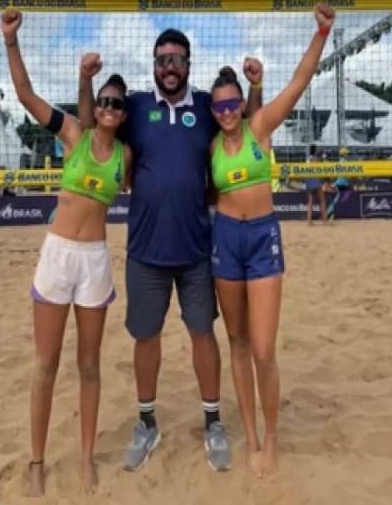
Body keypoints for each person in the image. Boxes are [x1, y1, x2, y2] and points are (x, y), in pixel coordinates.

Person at [78, 30, 264, 473]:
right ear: (154, 64)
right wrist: (85, 81)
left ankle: (213, 421)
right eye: (162, 59)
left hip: (197, 247)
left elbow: (251, 126)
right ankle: (147, 423)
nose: (169, 67)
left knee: (203, 333)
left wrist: (255, 87)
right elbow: (89, 128)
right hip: (145, 249)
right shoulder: (137, 107)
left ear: (188, 64)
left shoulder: (206, 106)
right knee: (146, 337)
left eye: (177, 59)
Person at [1, 8, 133, 497]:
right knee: (45, 365)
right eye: (104, 101)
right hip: (58, 255)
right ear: (96, 107)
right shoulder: (74, 135)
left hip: (95, 259)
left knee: (90, 366)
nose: (109, 108)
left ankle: (85, 458)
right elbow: (25, 95)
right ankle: (37, 462)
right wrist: (11, 41)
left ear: (123, 114)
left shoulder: (126, 156)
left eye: (117, 104)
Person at [207, 1, 335, 477]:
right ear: (213, 109)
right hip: (225, 238)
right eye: (219, 106)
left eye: (232, 104)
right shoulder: (211, 145)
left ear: (241, 104)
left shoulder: (259, 128)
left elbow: (299, 82)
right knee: (238, 343)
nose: (226, 112)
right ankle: (252, 437)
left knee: (263, 350)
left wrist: (321, 34)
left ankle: (272, 439)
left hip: (262, 237)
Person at [304, 144, 329, 226]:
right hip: (314, 179)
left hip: (308, 179)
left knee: (310, 201)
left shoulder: (307, 159)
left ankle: (309, 221)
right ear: (315, 151)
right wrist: (324, 158)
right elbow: (320, 168)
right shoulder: (315, 159)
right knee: (322, 200)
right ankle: (325, 221)